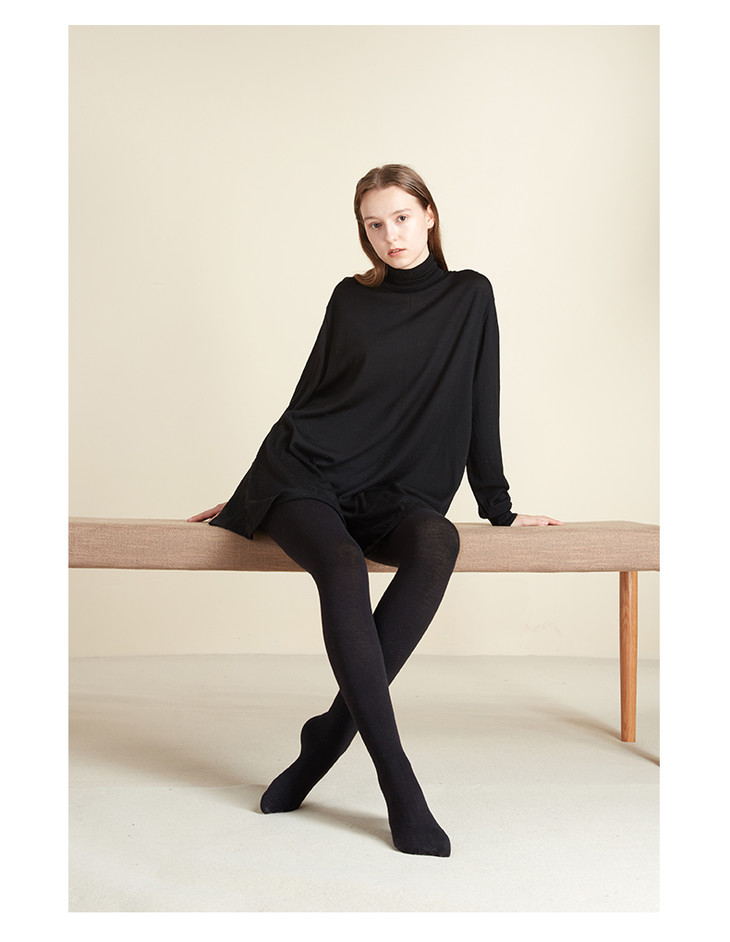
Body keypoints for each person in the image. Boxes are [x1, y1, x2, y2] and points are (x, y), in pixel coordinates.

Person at [188, 164, 562, 857]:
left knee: (437, 542)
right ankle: (399, 786)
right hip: (305, 477)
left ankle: (326, 738)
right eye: (374, 224)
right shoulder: (350, 298)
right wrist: (249, 492)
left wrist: (500, 507)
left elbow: (482, 402)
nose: (390, 235)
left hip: (396, 490)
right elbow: (308, 398)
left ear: (428, 214)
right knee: (340, 564)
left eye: (401, 217)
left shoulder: (470, 296)